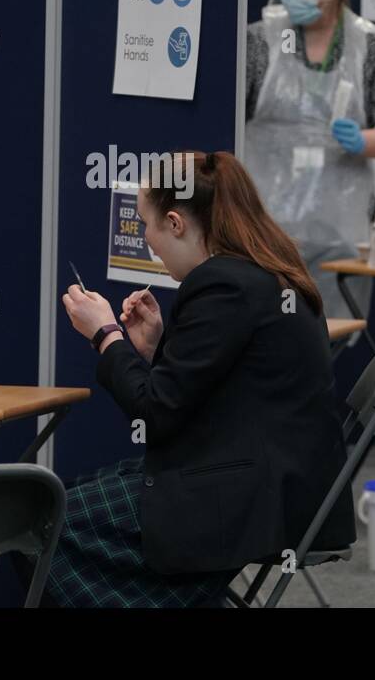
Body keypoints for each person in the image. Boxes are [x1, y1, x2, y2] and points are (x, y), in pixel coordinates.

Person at [50, 151, 355, 607]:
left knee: (45, 524)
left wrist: (105, 335)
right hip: (282, 484)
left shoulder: (222, 285)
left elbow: (155, 414)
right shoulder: (263, 270)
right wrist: (156, 347)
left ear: (175, 223)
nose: (148, 240)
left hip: (251, 498)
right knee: (63, 499)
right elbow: (225, 384)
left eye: (148, 224)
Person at [245, 0, 375, 316]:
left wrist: (364, 141)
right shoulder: (259, 41)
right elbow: (225, 120)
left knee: (325, 337)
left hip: (337, 231)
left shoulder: (373, 46)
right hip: (262, 230)